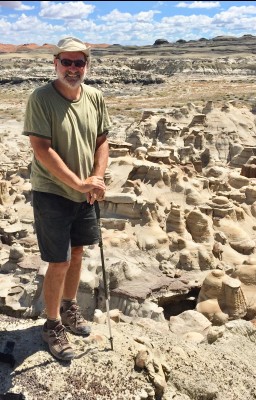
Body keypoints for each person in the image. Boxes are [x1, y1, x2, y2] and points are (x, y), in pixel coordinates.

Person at [22, 37, 111, 361]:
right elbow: (41, 148)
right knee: (58, 260)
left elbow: (102, 140)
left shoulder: (95, 97)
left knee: (77, 253)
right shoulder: (42, 98)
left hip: (84, 192)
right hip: (53, 192)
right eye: (67, 62)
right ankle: (52, 324)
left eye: (79, 62)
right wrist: (78, 183)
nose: (73, 68)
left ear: (87, 65)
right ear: (55, 63)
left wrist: (96, 178)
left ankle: (69, 306)